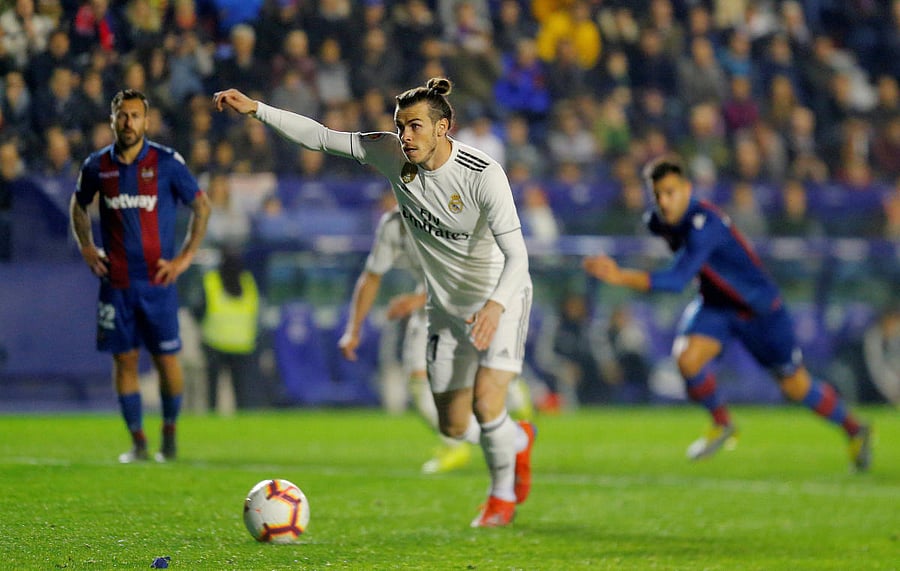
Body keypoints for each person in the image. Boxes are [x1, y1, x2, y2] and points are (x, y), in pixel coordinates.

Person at [215, 77, 537, 527]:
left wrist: (497, 306)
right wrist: (257, 110)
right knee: (454, 426)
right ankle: (519, 440)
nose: (406, 136)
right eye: (401, 126)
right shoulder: (391, 154)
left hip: (500, 298)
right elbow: (322, 138)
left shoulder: (483, 175)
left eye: (416, 127)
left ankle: (501, 497)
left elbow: (518, 257)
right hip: (445, 309)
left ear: (444, 127)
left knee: (487, 404)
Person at [582, 155, 872, 472]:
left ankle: (856, 430)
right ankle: (722, 424)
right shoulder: (659, 221)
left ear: (688, 189)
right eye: (658, 195)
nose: (664, 201)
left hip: (759, 311)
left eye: (671, 192)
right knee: (687, 359)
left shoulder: (706, 224)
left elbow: (677, 280)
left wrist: (619, 275)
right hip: (717, 305)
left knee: (794, 386)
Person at [339, 202, 534, 474]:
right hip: (431, 301)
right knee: (419, 383)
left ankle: (513, 402)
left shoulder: (450, 215)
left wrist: (416, 300)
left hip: (476, 295)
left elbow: (468, 270)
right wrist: (353, 329)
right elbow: (371, 276)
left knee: (481, 380)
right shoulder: (393, 225)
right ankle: (476, 441)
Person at [69, 89, 211, 463]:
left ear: (146, 121)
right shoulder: (98, 165)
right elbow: (79, 204)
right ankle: (138, 442)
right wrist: (86, 245)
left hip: (158, 283)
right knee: (125, 362)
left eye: (135, 116)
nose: (128, 122)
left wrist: (184, 258)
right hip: (116, 284)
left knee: (166, 361)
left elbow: (202, 206)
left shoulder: (166, 163)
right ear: (112, 119)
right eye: (122, 115)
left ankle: (169, 435)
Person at [195, 246, 261, 412]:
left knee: (212, 390)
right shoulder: (248, 282)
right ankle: (242, 418)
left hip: (215, 341)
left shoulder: (211, 281)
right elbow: (256, 311)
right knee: (241, 390)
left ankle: (212, 415)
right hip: (242, 343)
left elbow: (198, 309)